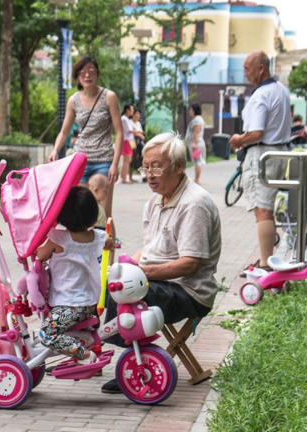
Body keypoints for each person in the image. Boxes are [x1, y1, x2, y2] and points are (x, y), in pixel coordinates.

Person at [100, 132, 222, 394]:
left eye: (157, 166)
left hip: (189, 291)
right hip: (163, 280)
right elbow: (152, 247)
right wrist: (125, 265)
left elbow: (190, 264)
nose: (149, 173)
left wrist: (140, 273)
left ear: (178, 167)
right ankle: (125, 357)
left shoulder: (194, 204)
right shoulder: (155, 201)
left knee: (122, 294)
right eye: (146, 166)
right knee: (104, 284)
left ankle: (135, 367)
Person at [48, 56, 124, 243]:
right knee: (81, 213)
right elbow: (64, 131)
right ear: (77, 77)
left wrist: (115, 164)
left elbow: (119, 132)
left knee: (104, 214)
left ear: (97, 73)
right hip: (80, 160)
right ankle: (86, 259)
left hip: (104, 161)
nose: (87, 75)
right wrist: (55, 150)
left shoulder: (109, 97)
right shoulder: (73, 100)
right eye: (83, 72)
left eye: (91, 71)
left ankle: (109, 264)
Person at [229, 51, 291, 273]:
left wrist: (238, 139)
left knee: (262, 210)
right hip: (279, 153)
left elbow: (256, 132)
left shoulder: (261, 95)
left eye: (247, 68)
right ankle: (268, 258)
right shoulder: (282, 90)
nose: (245, 73)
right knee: (267, 208)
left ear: (261, 69)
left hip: (262, 154)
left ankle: (265, 263)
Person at [36, 186, 107, 362]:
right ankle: (88, 349)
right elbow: (111, 242)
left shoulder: (57, 238)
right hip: (90, 304)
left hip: (68, 305)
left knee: (47, 334)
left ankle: (85, 354)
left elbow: (40, 255)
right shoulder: (98, 236)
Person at [185, 104, 206, 184]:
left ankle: (197, 179)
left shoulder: (197, 120)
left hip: (196, 144)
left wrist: (194, 143)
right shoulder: (199, 119)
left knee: (197, 161)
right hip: (197, 143)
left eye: (191, 110)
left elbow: (196, 131)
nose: (190, 112)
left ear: (195, 111)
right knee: (196, 161)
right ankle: (197, 178)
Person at [120, 104, 137, 183]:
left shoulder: (127, 119)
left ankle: (124, 177)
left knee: (129, 160)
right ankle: (124, 178)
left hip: (130, 140)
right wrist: (139, 132)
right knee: (127, 160)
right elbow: (129, 130)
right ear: (127, 110)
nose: (132, 112)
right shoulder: (124, 118)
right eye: (132, 110)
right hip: (127, 140)